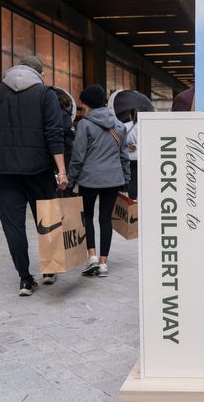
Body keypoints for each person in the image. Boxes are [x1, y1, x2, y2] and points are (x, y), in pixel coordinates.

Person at [0, 55, 67, 296]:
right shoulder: (45, 93)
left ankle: (25, 279)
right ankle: (50, 269)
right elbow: (54, 133)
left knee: (13, 227)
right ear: (39, 73)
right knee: (48, 219)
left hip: (2, 172)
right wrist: (61, 170)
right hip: (38, 169)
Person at [68, 85, 132, 278]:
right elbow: (124, 156)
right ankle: (104, 264)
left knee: (87, 217)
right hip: (113, 179)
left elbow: (78, 157)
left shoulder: (84, 125)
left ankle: (92, 257)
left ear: (86, 103)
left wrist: (70, 181)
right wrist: (126, 179)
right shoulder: (119, 125)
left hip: (89, 179)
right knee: (106, 219)